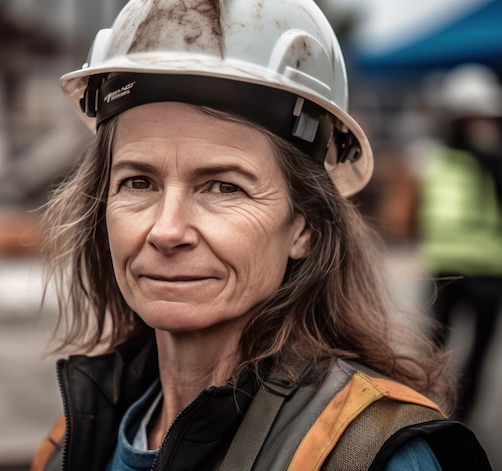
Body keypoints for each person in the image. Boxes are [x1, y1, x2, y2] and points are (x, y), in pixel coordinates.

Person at [32, 1, 491, 470]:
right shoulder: (73, 439)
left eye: (224, 187)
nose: (166, 231)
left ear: (304, 226)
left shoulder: (368, 455)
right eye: (138, 182)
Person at [418, 64, 502, 422]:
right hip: (446, 266)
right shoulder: (432, 156)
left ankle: (463, 419)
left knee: (479, 350)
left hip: (488, 269)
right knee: (435, 347)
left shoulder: (494, 161)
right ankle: (428, 408)